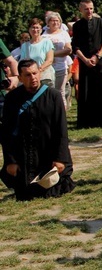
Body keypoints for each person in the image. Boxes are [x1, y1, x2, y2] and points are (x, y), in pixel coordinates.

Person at [1, 60, 75, 200]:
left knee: (51, 188)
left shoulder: (53, 96)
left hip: (48, 154)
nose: (33, 78)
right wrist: (10, 161)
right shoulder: (12, 99)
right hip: (23, 157)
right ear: (20, 78)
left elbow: (61, 131)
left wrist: (60, 159)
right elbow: (6, 132)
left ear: (40, 73)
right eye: (28, 75)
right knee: (24, 191)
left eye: (35, 73)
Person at [72, 0, 102, 129]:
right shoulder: (77, 26)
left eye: (91, 8)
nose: (89, 11)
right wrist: (85, 59)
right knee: (86, 89)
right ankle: (87, 121)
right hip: (84, 61)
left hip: (100, 60)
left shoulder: (101, 22)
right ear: (81, 10)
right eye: (86, 9)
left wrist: (97, 56)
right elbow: (75, 46)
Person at [42, 12, 72, 96]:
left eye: (57, 20)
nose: (55, 22)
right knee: (48, 92)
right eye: (52, 20)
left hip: (60, 67)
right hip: (47, 68)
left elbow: (68, 50)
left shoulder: (64, 33)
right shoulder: (44, 35)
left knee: (60, 92)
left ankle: (61, 109)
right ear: (48, 22)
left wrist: (51, 54)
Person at [20, 18, 55, 87]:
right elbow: (22, 62)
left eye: (37, 28)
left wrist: (38, 71)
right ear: (29, 29)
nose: (35, 30)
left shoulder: (47, 42)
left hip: (45, 77)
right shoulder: (25, 46)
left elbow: (50, 60)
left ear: (41, 29)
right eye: (33, 27)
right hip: (31, 79)